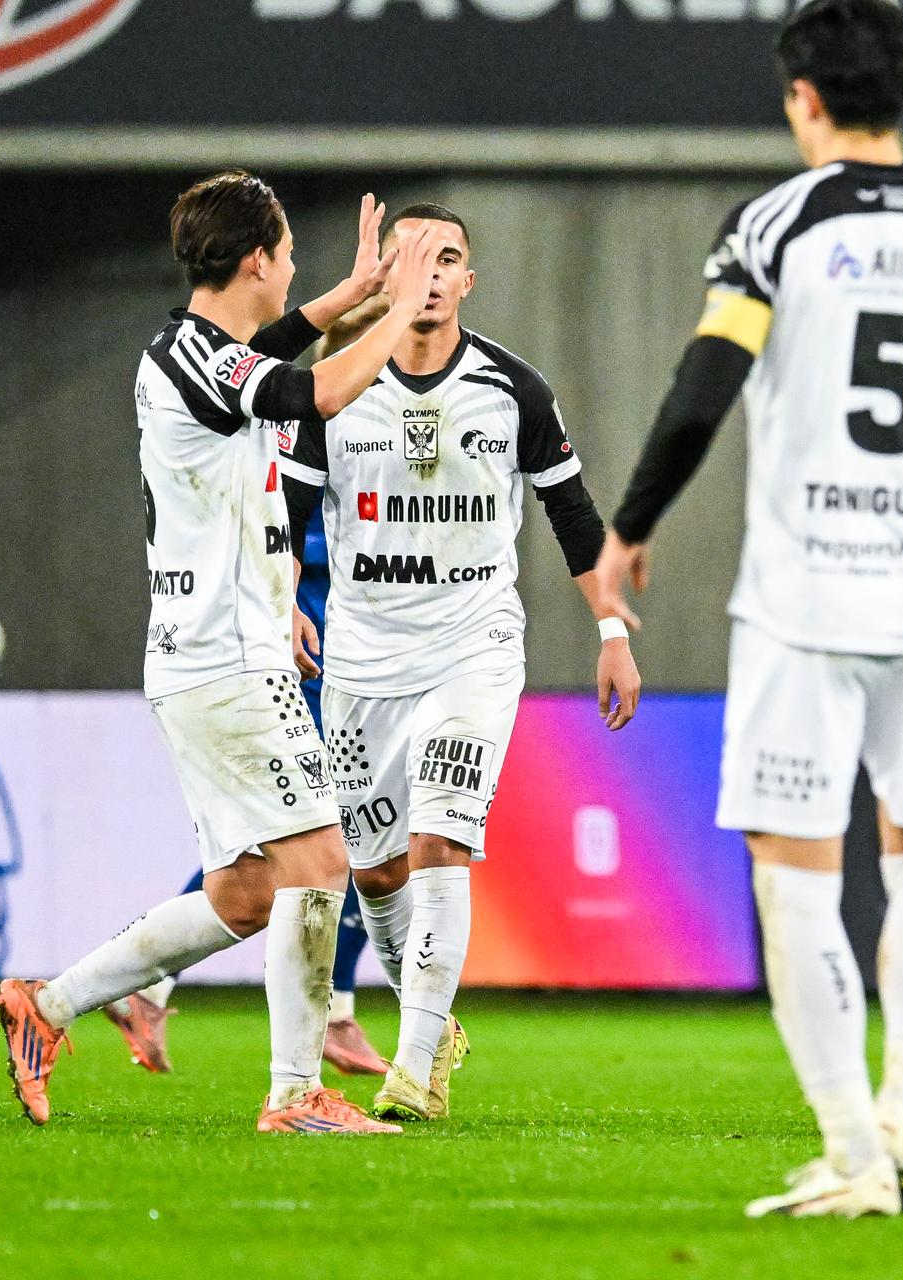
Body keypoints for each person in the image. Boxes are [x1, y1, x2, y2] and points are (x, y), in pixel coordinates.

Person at [597, 0, 903, 1218]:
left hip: (805, 594)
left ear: (802, 96)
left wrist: (630, 526)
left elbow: (705, 386)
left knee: (794, 873)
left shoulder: (776, 226)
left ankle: (856, 1147)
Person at [0, 170, 437, 1133]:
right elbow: (315, 389)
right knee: (321, 857)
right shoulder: (192, 355)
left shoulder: (200, 354)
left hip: (222, 651)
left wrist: (350, 295)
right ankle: (296, 1094)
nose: (293, 273)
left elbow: (272, 361)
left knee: (245, 893)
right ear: (257, 259)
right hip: (223, 660)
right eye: (290, 256)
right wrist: (400, 308)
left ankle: (47, 1006)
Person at [280, 203, 639, 1122]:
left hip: (472, 649)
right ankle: (430, 1025)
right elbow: (286, 513)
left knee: (441, 840)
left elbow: (572, 514)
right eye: (410, 256)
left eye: (446, 259)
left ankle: (411, 1071)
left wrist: (611, 633)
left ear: (468, 281)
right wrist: (282, 599)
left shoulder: (514, 390)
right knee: (376, 872)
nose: (429, 273)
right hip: (362, 659)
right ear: (385, 277)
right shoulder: (335, 391)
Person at [103, 303, 393, 1080]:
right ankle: (320, 1029)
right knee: (315, 841)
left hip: (317, 646)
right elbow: (300, 533)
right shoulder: (317, 417)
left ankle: (131, 989)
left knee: (290, 849)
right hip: (305, 649)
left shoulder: (295, 406)